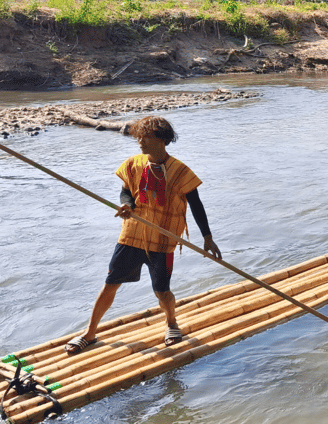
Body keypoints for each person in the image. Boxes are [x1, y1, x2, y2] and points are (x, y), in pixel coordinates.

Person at [65, 116, 221, 354]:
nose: (140, 141)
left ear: (162, 139)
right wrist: (127, 205)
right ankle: (90, 333)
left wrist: (207, 238)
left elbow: (196, 205)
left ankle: (171, 323)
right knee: (110, 284)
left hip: (163, 238)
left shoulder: (179, 171)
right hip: (132, 235)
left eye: (145, 137)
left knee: (161, 290)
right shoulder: (133, 164)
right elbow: (126, 191)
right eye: (138, 136)